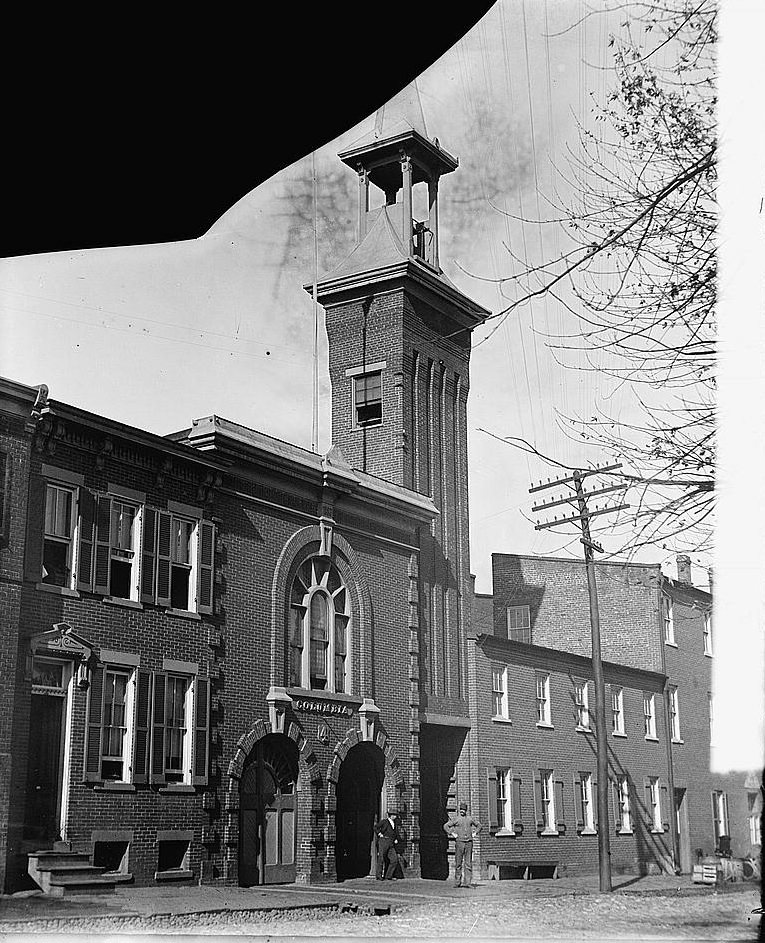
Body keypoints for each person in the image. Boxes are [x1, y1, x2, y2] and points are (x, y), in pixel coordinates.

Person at [443, 800, 481, 888]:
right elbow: (446, 826)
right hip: (459, 843)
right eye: (461, 810)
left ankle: (467, 882)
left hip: (469, 843)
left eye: (463, 810)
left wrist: (475, 833)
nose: (462, 811)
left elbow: (479, 825)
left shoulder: (470, 819)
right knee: (458, 863)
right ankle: (457, 882)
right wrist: (452, 833)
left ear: (466, 810)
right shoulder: (456, 819)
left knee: (468, 863)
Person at [375, 811, 399, 880]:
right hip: (384, 841)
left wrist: (395, 839)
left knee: (394, 859)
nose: (395, 816)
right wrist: (379, 834)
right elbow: (376, 827)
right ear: (390, 815)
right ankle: (379, 876)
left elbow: (394, 832)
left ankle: (388, 876)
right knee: (381, 858)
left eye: (396, 815)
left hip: (391, 843)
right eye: (394, 815)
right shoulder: (384, 822)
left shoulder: (395, 823)